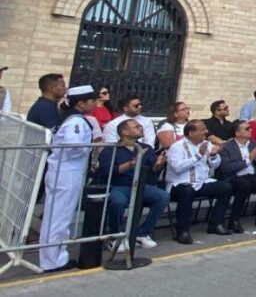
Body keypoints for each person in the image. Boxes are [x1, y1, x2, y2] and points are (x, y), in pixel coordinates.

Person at [39, 85, 96, 271]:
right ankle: (53, 260)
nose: (94, 104)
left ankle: (53, 256)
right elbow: (73, 146)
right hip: (67, 172)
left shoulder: (71, 119)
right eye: (91, 100)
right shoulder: (76, 122)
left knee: (56, 216)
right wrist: (91, 145)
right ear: (81, 103)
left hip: (64, 172)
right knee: (59, 218)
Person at [97, 118, 169, 250]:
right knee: (117, 201)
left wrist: (159, 164)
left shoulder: (146, 148)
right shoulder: (111, 150)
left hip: (140, 186)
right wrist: (131, 164)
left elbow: (153, 169)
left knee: (162, 196)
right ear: (125, 132)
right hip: (119, 186)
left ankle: (142, 233)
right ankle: (115, 236)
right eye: (136, 127)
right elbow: (107, 171)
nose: (141, 128)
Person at [166, 120, 234, 244]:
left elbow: (215, 165)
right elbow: (177, 168)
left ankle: (216, 223)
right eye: (202, 130)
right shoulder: (177, 147)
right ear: (191, 132)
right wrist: (198, 156)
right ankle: (183, 231)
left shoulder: (206, 144)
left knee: (226, 188)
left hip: (201, 182)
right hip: (180, 183)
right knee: (187, 192)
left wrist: (213, 155)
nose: (206, 132)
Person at [217, 121, 256, 233]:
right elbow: (226, 168)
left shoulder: (253, 143)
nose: (251, 130)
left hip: (250, 175)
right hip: (233, 176)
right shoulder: (227, 147)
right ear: (237, 133)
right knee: (244, 185)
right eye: (247, 128)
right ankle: (234, 220)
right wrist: (248, 160)